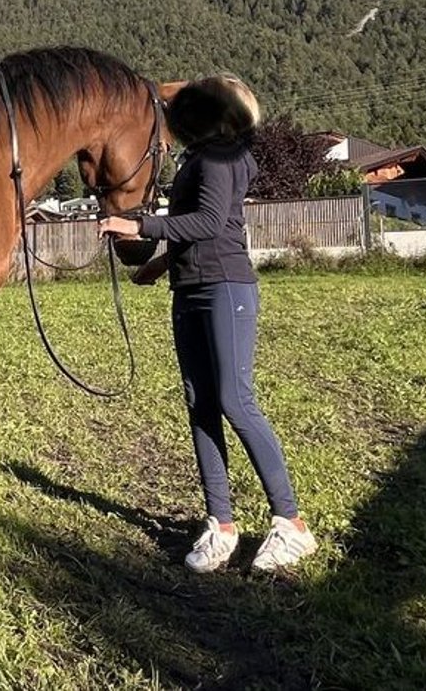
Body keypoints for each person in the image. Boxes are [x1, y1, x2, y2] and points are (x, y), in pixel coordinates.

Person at [98, 74, 317, 573]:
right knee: (201, 405)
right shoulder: (200, 157)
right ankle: (220, 524)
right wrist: (158, 264)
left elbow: (212, 223)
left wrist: (141, 225)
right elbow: (196, 226)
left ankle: (291, 524)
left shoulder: (221, 158)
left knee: (236, 401)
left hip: (225, 288)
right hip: (192, 287)